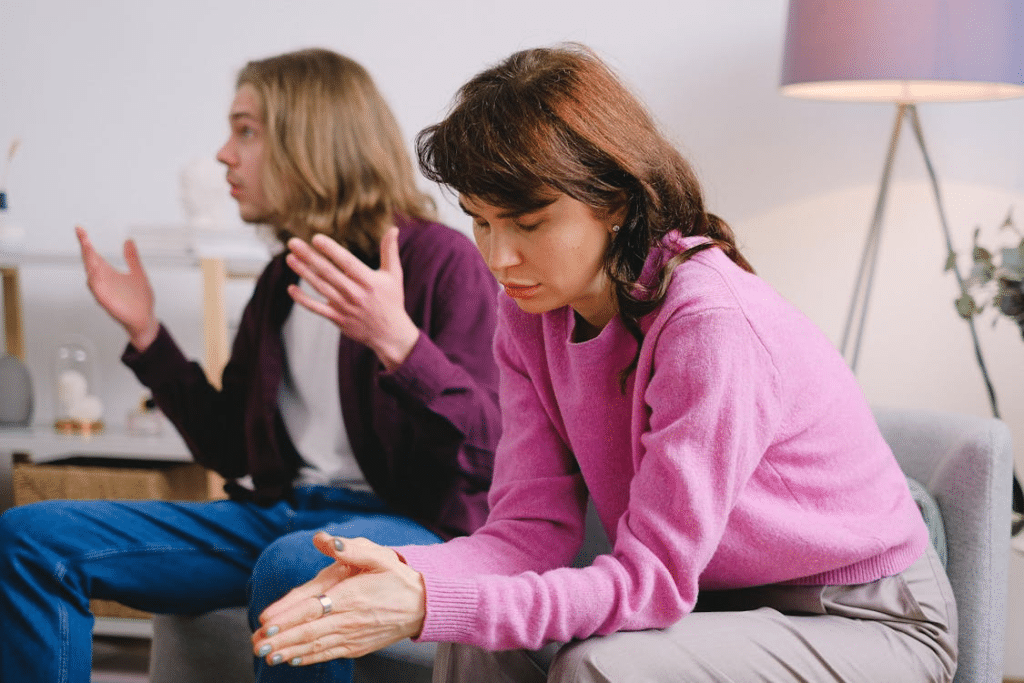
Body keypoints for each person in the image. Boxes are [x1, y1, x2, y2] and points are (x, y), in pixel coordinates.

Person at [250, 44, 959, 683]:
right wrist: (405, 576)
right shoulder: (531, 311)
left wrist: (430, 598)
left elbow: (651, 582)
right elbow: (527, 532)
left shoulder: (708, 324)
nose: (499, 258)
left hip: (861, 617)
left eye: (528, 224)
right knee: (473, 634)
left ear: (614, 201)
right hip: (718, 601)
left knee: (600, 666)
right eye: (481, 220)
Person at [0, 48, 500, 683]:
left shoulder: (440, 261)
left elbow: (487, 450)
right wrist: (149, 336)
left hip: (405, 530)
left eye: (245, 131)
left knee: (294, 565)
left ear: (311, 141)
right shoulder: (278, 281)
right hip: (279, 513)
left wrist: (400, 345)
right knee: (30, 538)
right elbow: (229, 447)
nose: (223, 155)